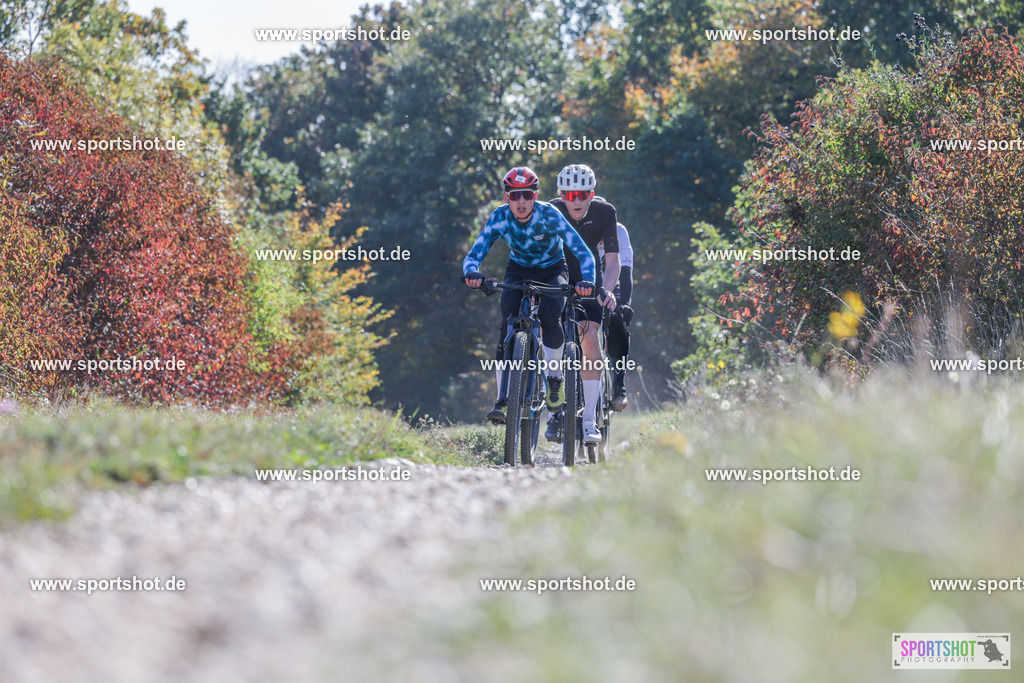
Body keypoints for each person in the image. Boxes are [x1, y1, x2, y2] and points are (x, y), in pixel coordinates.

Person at [463, 167, 595, 423]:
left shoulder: (549, 214)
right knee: (508, 320)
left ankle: (554, 380)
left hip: (553, 269)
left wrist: (588, 280)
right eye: (514, 196)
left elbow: (583, 251)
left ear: (535, 195)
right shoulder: (500, 217)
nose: (521, 201)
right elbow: (475, 253)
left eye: (526, 195)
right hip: (519, 269)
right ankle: (502, 398)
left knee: (549, 315)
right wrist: (472, 273)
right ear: (506, 198)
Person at [547, 164, 619, 443]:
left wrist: (607, 291)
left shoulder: (605, 212)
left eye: (583, 193)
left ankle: (589, 418)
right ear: (561, 195)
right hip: (558, 274)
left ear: (592, 194)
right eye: (570, 194)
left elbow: (612, 261)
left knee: (590, 339)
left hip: (590, 278)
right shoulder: (552, 209)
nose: (576, 200)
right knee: (548, 333)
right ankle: (554, 411)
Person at [601, 222, 634, 410]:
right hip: (587, 279)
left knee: (618, 319)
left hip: (613, 278)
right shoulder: (577, 226)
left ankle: (619, 384)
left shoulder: (618, 230)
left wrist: (624, 304)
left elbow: (626, 271)